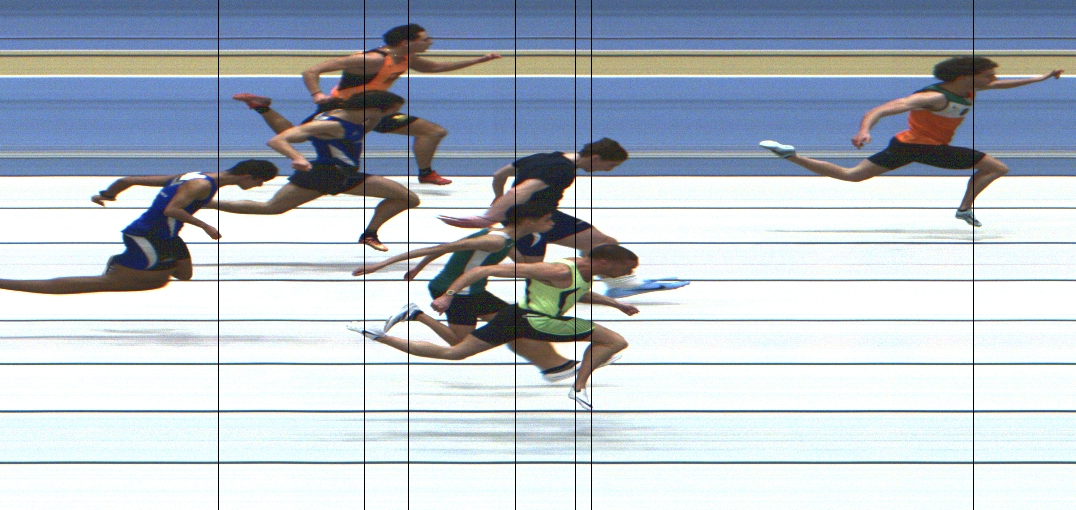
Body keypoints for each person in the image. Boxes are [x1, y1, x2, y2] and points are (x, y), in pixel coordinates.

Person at [759, 56, 1064, 227]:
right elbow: (880, 109)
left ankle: (791, 156)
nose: (992, 80)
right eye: (987, 76)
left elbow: (1004, 85)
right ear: (964, 77)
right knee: (997, 168)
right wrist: (864, 130)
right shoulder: (932, 97)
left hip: (905, 144)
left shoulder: (968, 89)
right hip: (926, 147)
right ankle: (964, 209)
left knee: (852, 175)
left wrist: (1041, 78)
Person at [350, 244, 643, 410]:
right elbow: (483, 269)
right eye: (627, 269)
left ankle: (379, 336)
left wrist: (615, 304)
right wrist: (448, 296)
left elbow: (576, 293)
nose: (628, 274)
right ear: (605, 262)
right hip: (538, 322)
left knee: (454, 352)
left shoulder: (581, 270)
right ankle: (578, 387)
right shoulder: (557, 269)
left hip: (515, 317)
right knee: (614, 341)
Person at [0, 160, 278, 293]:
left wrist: (107, 194)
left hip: (162, 236)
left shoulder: (194, 175)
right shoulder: (202, 185)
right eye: (260, 182)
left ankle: (125, 264)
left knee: (182, 275)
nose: (259, 187)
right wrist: (204, 225)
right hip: (147, 236)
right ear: (248, 176)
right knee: (117, 284)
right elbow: (173, 208)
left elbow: (129, 179)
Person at [353, 203, 599, 381]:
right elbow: (442, 247)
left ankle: (555, 366)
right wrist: (381, 265)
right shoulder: (495, 240)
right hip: (457, 291)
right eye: (546, 220)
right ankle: (412, 317)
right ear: (527, 221)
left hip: (475, 290)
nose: (552, 224)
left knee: (517, 323)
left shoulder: (512, 239)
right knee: (459, 345)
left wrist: (419, 267)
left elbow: (521, 265)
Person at [233, 23, 502, 185]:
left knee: (433, 131)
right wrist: (318, 95)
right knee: (295, 137)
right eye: (425, 39)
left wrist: (479, 60)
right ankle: (262, 106)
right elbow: (311, 70)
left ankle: (426, 173)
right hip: (344, 111)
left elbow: (435, 67)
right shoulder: (371, 60)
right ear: (406, 42)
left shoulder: (406, 57)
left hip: (375, 111)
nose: (430, 42)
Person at [438, 138, 689, 298]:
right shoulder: (562, 169)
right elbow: (519, 191)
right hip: (529, 222)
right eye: (608, 166)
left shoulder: (545, 157)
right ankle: (502, 250)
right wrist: (489, 218)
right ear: (596, 158)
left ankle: (618, 285)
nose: (606, 171)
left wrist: (497, 198)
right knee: (533, 270)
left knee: (603, 242)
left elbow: (499, 174)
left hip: (546, 216)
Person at [211, 90, 417, 251]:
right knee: (271, 207)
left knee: (408, 198)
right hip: (323, 175)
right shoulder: (333, 124)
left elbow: (359, 129)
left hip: (345, 175)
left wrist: (374, 117)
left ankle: (369, 234)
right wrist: (297, 158)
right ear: (375, 109)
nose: (394, 115)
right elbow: (277, 140)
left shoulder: (351, 118)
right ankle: (206, 202)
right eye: (392, 111)